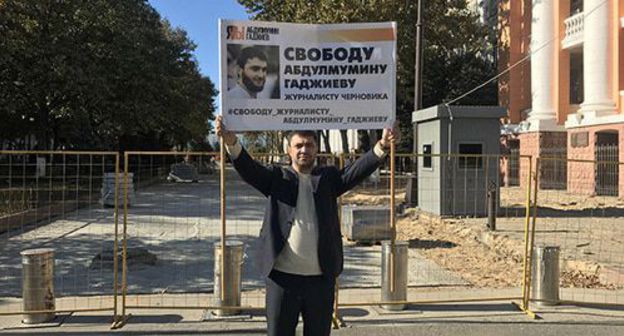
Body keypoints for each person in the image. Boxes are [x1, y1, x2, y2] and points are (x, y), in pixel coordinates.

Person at [216, 116, 399, 336]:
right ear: (289, 150)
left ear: (316, 149)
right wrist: (231, 142)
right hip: (282, 279)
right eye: (299, 145)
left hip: (320, 281)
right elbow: (249, 169)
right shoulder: (277, 178)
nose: (304, 149)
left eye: (309, 145)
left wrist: (382, 145)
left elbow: (355, 171)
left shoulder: (328, 178)